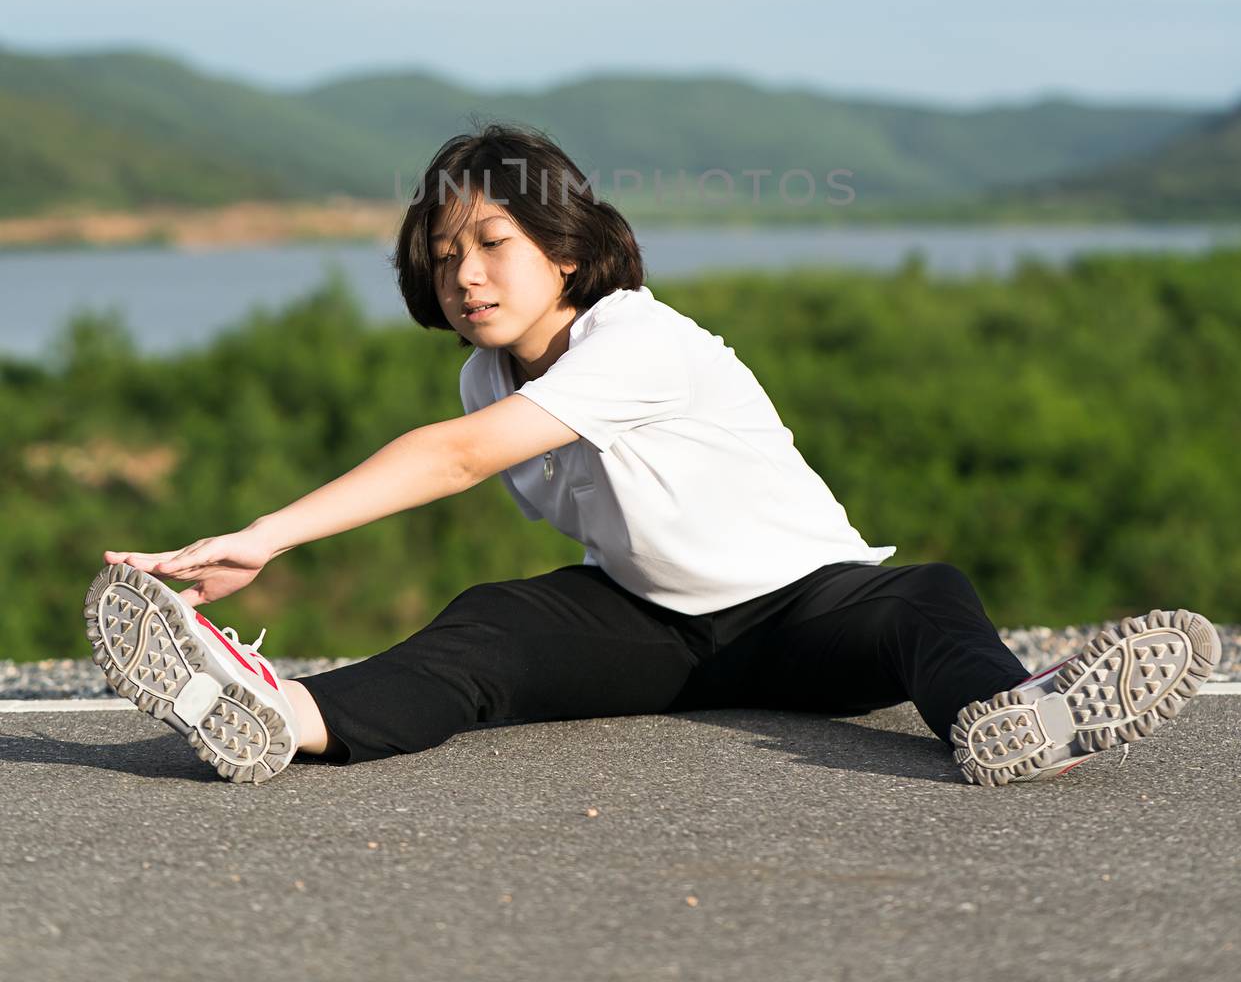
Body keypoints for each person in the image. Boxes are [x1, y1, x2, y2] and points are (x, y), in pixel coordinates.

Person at [86, 122, 1222, 787]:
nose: (465, 276)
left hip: (802, 610)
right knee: (492, 624)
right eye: (442, 258)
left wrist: (266, 533)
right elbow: (472, 435)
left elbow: (455, 460)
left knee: (926, 598)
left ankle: (1014, 720)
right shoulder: (484, 368)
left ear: (565, 251)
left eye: (492, 243)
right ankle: (272, 714)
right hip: (653, 628)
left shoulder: (638, 336)